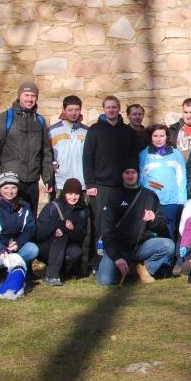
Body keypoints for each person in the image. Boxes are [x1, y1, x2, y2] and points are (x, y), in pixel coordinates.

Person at [83, 95, 141, 261]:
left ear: (119, 109)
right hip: (101, 186)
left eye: (114, 107)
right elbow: (87, 158)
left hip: (122, 187)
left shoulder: (128, 132)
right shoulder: (94, 130)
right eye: (108, 107)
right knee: (99, 224)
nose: (111, 110)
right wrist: (90, 183)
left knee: (122, 222)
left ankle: (121, 259)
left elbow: (133, 158)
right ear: (104, 109)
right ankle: (97, 260)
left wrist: (132, 181)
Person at [95, 164, 174, 285]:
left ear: (138, 174)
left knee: (168, 245)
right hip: (118, 247)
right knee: (105, 281)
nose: (130, 175)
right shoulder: (113, 196)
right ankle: (127, 269)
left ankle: (143, 268)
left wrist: (153, 219)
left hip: (141, 246)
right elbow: (106, 231)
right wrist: (116, 258)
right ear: (122, 175)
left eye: (133, 172)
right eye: (127, 172)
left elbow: (162, 225)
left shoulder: (150, 195)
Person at [0, 81, 53, 213]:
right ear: (19, 96)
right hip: (10, 183)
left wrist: (47, 178)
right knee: (10, 222)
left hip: (32, 182)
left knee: (29, 222)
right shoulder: (4, 118)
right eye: (26, 95)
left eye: (33, 96)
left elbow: (46, 153)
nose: (30, 99)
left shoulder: (39, 121)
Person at [0, 171, 39, 287]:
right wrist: (1, 249)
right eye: (6, 187)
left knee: (33, 249)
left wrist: (18, 243)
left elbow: (29, 228)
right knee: (0, 260)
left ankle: (8, 272)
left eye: (14, 187)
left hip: (12, 247)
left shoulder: (24, 207)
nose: (10, 191)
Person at [34, 177, 88, 286]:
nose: (73, 197)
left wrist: (72, 229)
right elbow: (39, 232)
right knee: (61, 234)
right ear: (64, 193)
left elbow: (81, 236)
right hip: (46, 246)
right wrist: (57, 227)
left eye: (76, 194)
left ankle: (60, 273)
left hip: (67, 247)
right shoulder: (53, 207)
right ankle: (51, 275)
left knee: (76, 252)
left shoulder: (82, 210)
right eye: (70, 193)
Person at [138, 124, 188, 237]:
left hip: (171, 201)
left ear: (167, 137)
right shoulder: (144, 155)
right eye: (155, 136)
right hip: (151, 201)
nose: (159, 139)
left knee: (169, 232)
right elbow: (140, 179)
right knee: (150, 231)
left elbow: (181, 178)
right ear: (150, 137)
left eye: (162, 135)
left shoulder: (176, 155)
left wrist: (182, 200)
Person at [49, 95, 88, 193]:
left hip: (82, 184)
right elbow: (46, 156)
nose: (74, 113)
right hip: (60, 184)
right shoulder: (52, 131)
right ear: (63, 110)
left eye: (77, 109)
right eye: (70, 110)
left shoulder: (88, 132)